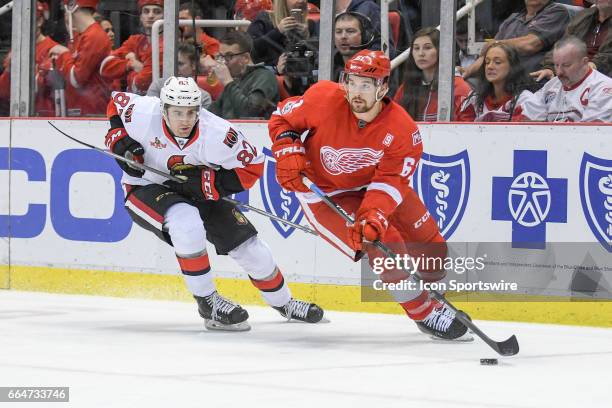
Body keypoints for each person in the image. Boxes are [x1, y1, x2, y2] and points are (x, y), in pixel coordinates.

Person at [268, 50, 472, 341]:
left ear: (383, 88)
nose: (356, 92)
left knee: (430, 243)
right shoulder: (323, 98)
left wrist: (373, 214)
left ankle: (434, 296)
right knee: (381, 242)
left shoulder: (402, 130)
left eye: (366, 84)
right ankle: (422, 312)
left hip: (371, 186)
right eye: (352, 82)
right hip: (325, 193)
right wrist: (288, 148)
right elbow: (280, 118)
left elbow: (389, 181)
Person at [105, 76, 324, 331]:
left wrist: (209, 183)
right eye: (177, 112)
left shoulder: (218, 133)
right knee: (186, 222)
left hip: (197, 193)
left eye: (191, 112)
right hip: (144, 188)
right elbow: (114, 106)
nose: (185, 120)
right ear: (163, 109)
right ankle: (208, 302)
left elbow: (252, 168)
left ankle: (284, 303)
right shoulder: (143, 112)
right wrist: (119, 139)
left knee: (250, 248)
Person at [462, 0, 570, 79]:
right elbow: (487, 55)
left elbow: (530, 45)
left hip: (532, 83)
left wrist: (496, 43)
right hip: (501, 83)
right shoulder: (513, 19)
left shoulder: (557, 12)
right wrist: (466, 73)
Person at [520, 36, 612, 122]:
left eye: (566, 65)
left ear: (584, 62)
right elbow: (529, 121)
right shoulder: (551, 85)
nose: (559, 72)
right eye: (556, 65)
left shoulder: (603, 88)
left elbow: (591, 132)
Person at [48, 0, 112, 116]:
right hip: (82, 111)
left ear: (72, 7)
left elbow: (76, 79)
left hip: (92, 114)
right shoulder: (83, 36)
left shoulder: (94, 36)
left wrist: (64, 54)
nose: (65, 15)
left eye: (65, 8)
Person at [394, 27, 472, 121]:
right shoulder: (406, 88)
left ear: (441, 51)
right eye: (416, 48)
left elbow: (467, 129)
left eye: (427, 47)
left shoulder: (458, 87)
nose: (421, 53)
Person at [0, 1, 59, 117]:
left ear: (40, 21)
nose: (24, 25)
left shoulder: (53, 49)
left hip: (46, 119)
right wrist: (9, 70)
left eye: (28, 20)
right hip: (18, 117)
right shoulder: (16, 50)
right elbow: (3, 92)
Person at [204, 30, 279, 119]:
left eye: (229, 56)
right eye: (221, 56)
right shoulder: (235, 81)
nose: (223, 62)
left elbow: (249, 112)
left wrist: (228, 82)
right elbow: (210, 114)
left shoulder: (265, 76)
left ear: (246, 58)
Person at [533, 0, 612, 81]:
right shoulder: (583, 16)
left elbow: (609, 55)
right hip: (572, 70)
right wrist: (550, 68)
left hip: (602, 75)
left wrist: (593, 65)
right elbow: (563, 45)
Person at [456, 42, 536, 122]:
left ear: (512, 66)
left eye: (497, 62)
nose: (490, 66)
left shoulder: (525, 101)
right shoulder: (474, 100)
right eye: (487, 62)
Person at [99, 0, 164, 94]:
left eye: (156, 12)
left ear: (164, 16)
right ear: (141, 17)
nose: (150, 15)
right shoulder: (135, 41)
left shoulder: (165, 45)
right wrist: (131, 64)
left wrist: (126, 70)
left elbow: (140, 84)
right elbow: (105, 67)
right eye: (146, 11)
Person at [247, 0, 317, 67]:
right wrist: (278, 31)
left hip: (302, 73)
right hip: (271, 73)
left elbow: (318, 58)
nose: (301, 1)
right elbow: (251, 50)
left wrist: (307, 38)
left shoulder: (310, 25)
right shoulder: (266, 19)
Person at [146, 43, 213, 109]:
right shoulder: (158, 86)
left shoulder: (204, 98)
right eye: (174, 63)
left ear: (193, 65)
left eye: (180, 64)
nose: (175, 67)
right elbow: (149, 112)